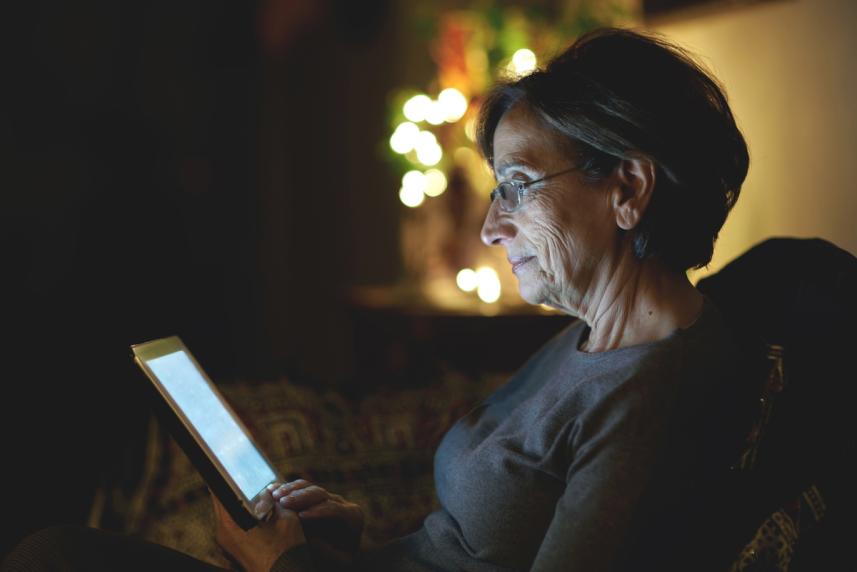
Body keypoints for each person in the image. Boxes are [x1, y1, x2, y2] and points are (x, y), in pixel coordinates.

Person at [2, 27, 756, 572]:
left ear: (626, 189)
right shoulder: (595, 334)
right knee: (53, 551)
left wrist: (281, 567)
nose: (491, 226)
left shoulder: (652, 396)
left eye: (518, 187)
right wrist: (352, 542)